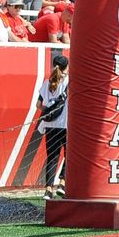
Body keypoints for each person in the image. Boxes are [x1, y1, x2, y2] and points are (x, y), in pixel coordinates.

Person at [37, 52, 70, 195]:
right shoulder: (69, 81)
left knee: (52, 157)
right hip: (65, 125)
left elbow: (39, 104)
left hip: (50, 125)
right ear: (66, 67)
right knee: (70, 156)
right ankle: (62, 183)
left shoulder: (47, 82)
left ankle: (48, 190)